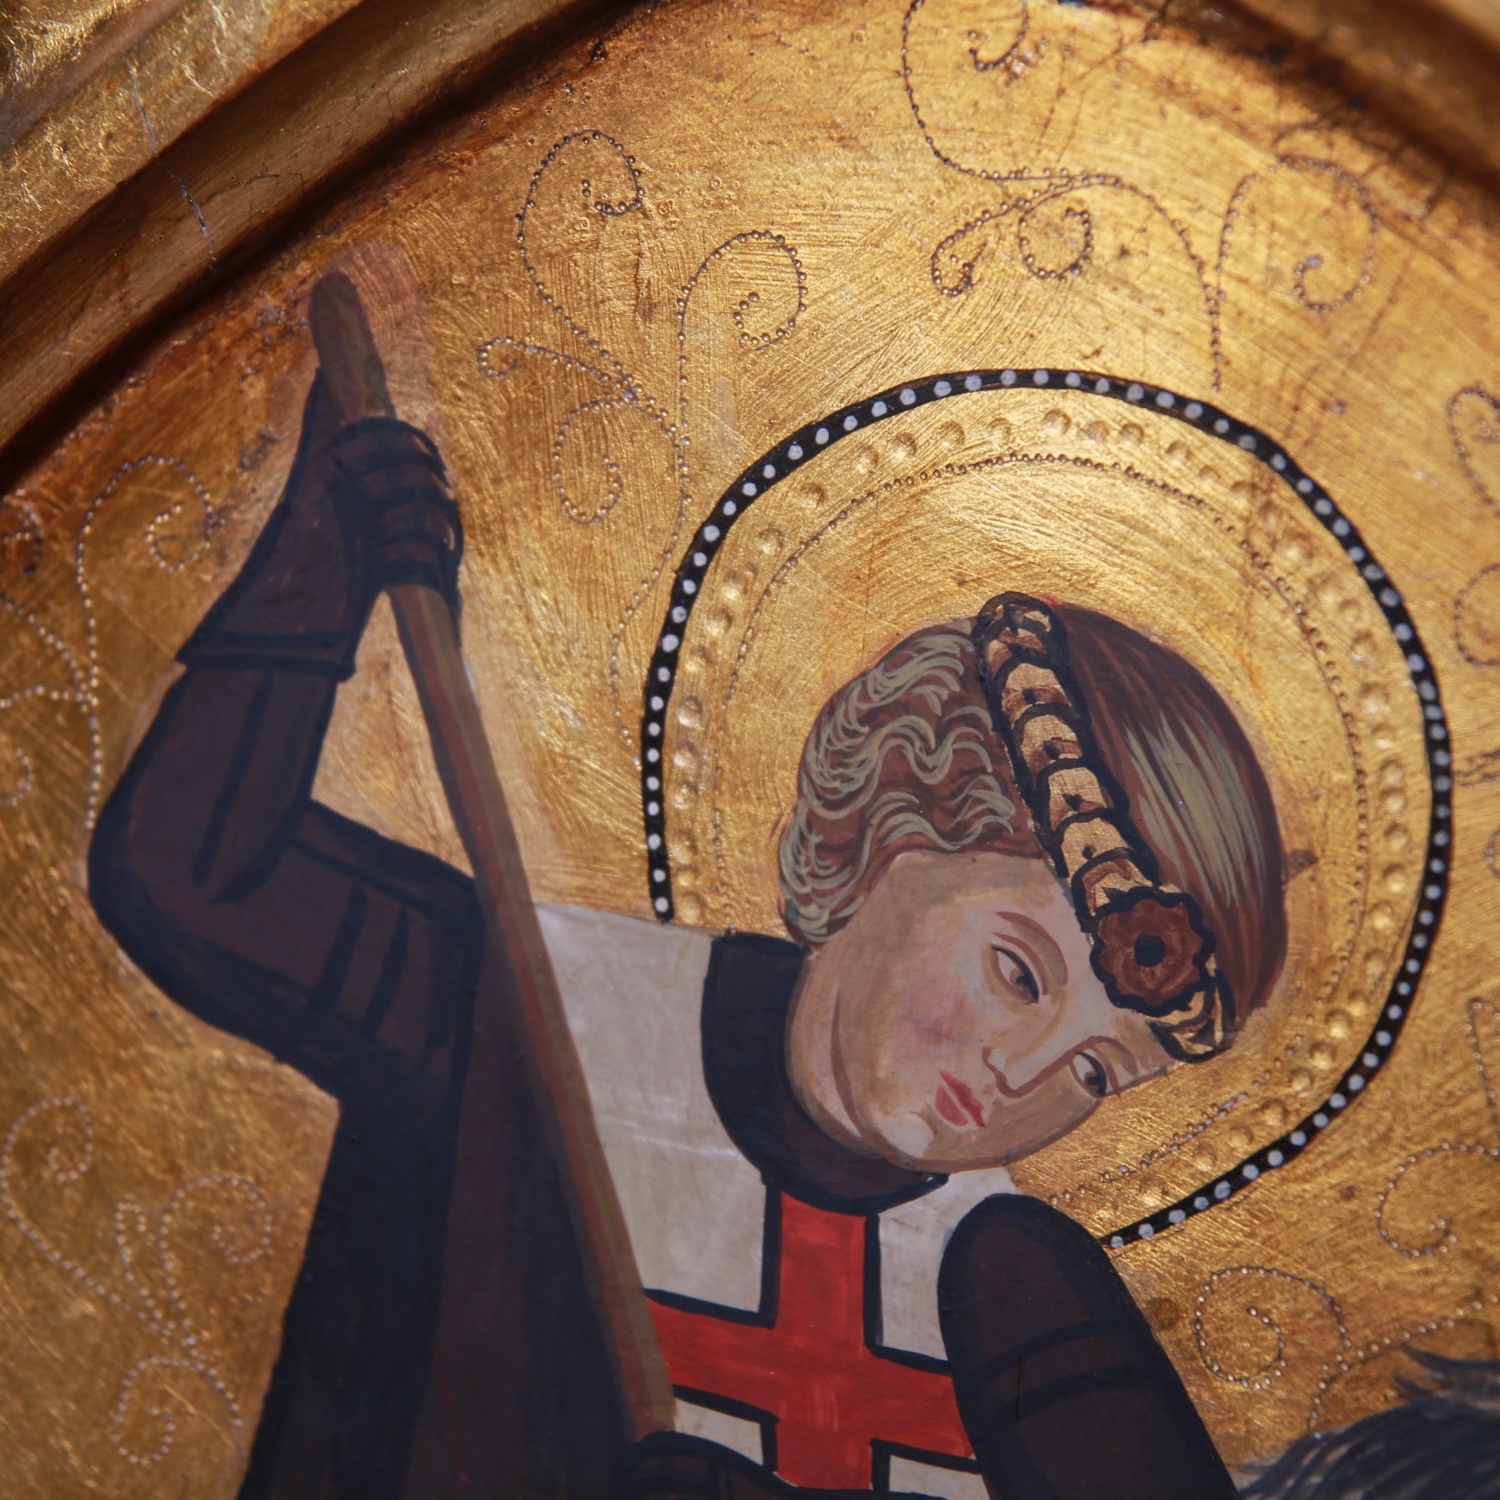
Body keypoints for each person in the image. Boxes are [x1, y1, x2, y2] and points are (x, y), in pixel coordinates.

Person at [89, 375, 1286, 1499]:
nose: (1023, 1078)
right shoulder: (545, 1014)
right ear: (899, 824)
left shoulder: (1019, 1292)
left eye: (1096, 1072)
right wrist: (317, 568)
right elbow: (194, 875)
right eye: (1015, 973)